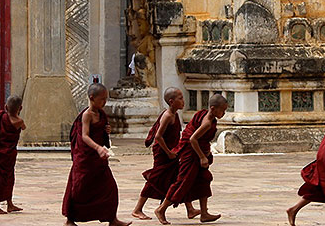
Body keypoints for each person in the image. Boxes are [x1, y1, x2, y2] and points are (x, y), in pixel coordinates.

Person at [62, 83, 131, 226]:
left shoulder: (101, 114)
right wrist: (98, 148)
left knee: (110, 188)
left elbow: (99, 131)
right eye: (102, 100)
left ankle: (112, 219)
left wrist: (107, 131)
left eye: (106, 99)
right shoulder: (87, 115)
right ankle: (70, 219)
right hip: (86, 159)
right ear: (92, 98)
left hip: (99, 161)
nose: (105, 103)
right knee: (79, 189)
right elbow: (85, 136)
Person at [153, 94, 228, 225]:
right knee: (183, 182)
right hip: (192, 154)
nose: (224, 113)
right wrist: (202, 157)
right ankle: (161, 209)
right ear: (213, 108)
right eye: (222, 110)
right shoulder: (207, 122)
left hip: (197, 153)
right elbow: (193, 139)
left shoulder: (204, 114)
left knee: (204, 179)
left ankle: (204, 213)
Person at [131, 87, 200, 220]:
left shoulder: (175, 114)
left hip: (172, 152)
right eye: (180, 98)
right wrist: (168, 152)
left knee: (180, 178)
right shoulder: (168, 115)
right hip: (163, 153)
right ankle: (137, 209)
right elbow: (158, 136)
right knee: (155, 179)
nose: (183, 101)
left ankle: (190, 209)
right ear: (171, 101)